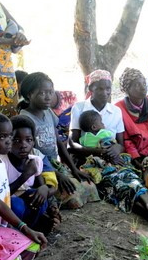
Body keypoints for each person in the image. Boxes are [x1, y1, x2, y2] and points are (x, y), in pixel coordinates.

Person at [79, 110, 148, 227]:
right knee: (132, 183)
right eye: (101, 122)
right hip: (114, 171)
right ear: (94, 126)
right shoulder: (105, 134)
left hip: (104, 177)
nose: (104, 124)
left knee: (126, 190)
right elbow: (112, 149)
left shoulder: (83, 140)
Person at [18, 72, 98, 209]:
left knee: (90, 187)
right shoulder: (25, 119)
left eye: (50, 92)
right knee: (73, 196)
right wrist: (58, 175)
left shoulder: (48, 112)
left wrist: (73, 169)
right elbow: (30, 155)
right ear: (30, 95)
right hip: (40, 169)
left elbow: (59, 142)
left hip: (55, 164)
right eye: (43, 93)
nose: (48, 97)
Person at [0, 112, 49, 249]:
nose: (9, 141)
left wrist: (24, 228)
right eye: (3, 137)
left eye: (10, 136)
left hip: (4, 220)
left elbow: (0, 199)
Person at [7, 115, 60, 233]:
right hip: (8, 202)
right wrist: (25, 175)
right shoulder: (2, 161)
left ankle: (33, 227)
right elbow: (2, 196)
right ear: (8, 141)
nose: (23, 145)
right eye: (16, 140)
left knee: (39, 197)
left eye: (28, 140)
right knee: (16, 204)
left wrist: (44, 189)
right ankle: (21, 230)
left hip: (25, 199)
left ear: (33, 142)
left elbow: (42, 186)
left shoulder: (35, 160)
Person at [70, 70, 125, 164]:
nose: (105, 92)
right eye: (100, 89)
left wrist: (117, 148)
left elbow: (121, 144)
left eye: (108, 88)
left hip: (113, 160)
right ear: (90, 89)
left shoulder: (116, 111)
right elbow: (72, 144)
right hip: (87, 160)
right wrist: (98, 152)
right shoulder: (79, 108)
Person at [115, 68, 148, 163]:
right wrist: (136, 157)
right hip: (132, 155)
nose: (143, 87)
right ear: (127, 89)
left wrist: (146, 152)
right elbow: (125, 139)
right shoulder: (118, 108)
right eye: (137, 84)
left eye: (144, 83)